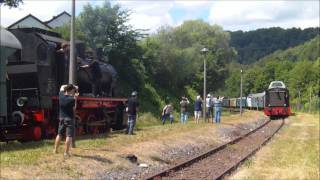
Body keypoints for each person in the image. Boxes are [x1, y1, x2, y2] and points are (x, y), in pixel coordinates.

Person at [54, 84, 79, 157]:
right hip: (69, 119)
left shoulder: (61, 95)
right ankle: (66, 153)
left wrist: (73, 86)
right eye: (73, 91)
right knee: (69, 136)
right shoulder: (72, 99)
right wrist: (76, 98)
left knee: (59, 134)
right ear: (71, 91)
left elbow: (61, 86)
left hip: (61, 118)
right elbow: (74, 108)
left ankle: (55, 150)